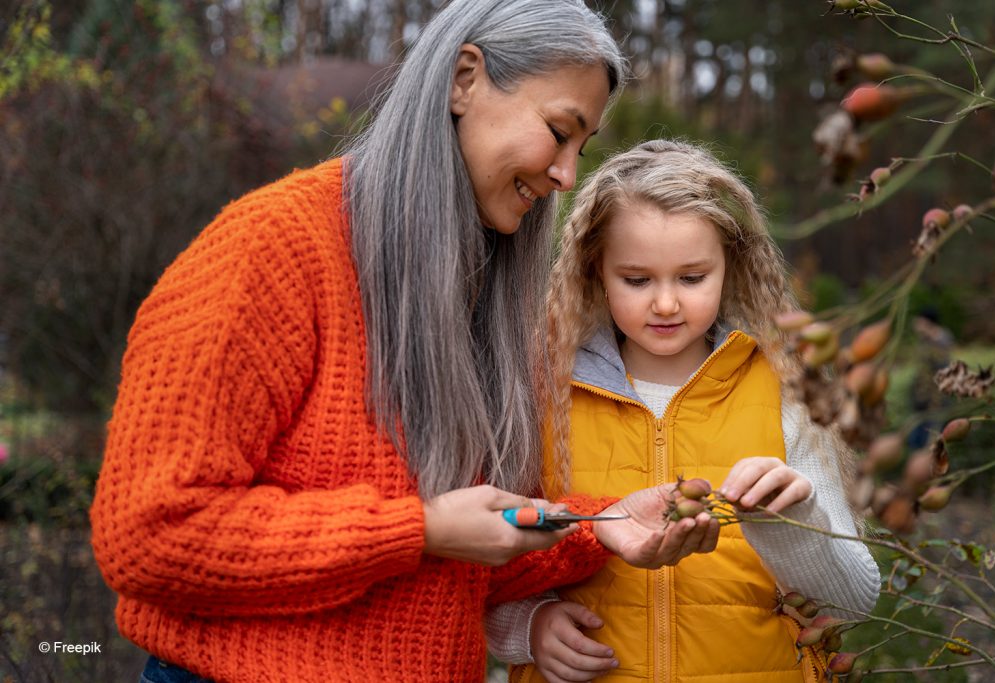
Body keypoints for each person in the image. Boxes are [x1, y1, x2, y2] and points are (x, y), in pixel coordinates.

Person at [88, 4, 715, 683]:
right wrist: (415, 529)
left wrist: (606, 523)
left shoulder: (486, 293)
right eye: (559, 131)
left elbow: (462, 560)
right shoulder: (271, 250)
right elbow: (148, 535)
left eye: (581, 149)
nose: (567, 174)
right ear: (465, 80)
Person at [485, 139, 881, 682]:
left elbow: (856, 599)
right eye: (637, 279)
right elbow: (479, 564)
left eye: (692, 278)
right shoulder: (539, 394)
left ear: (729, 266)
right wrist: (527, 627)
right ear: (595, 269)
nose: (666, 303)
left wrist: (791, 523)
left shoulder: (786, 391)